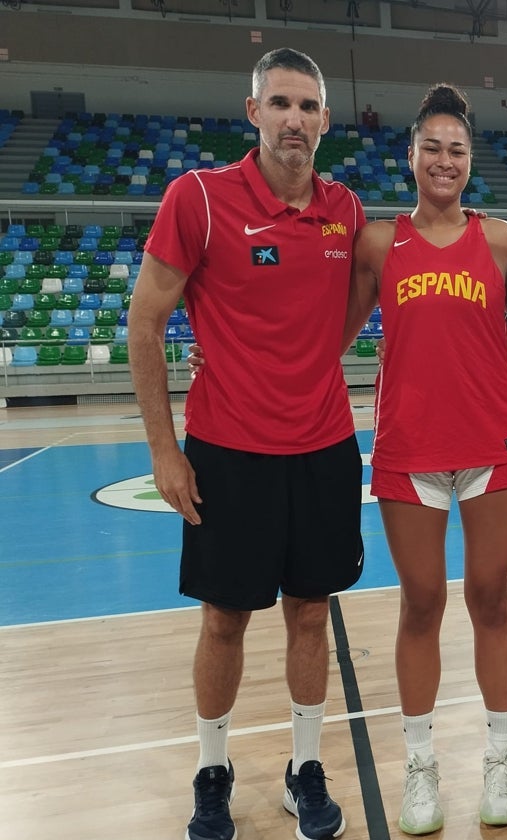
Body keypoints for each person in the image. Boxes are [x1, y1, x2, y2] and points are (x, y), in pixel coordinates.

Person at [128, 47, 362, 840]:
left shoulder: (346, 210)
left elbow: (349, 310)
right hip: (227, 454)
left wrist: (306, 361)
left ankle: (304, 768)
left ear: (325, 122)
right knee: (224, 621)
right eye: (281, 103)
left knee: (309, 614)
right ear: (254, 112)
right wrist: (166, 450)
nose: (295, 119)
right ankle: (212, 768)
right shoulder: (196, 199)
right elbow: (146, 321)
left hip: (325, 449)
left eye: (308, 107)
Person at [343, 82, 507, 836]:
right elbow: (335, 331)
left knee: (490, 597)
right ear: (410, 156)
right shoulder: (381, 244)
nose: (444, 160)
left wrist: (474, 373)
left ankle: (499, 758)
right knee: (422, 603)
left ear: (469, 160)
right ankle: (420, 766)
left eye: (457, 149)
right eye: (432, 148)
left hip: (491, 444)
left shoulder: (502, 241)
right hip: (409, 448)